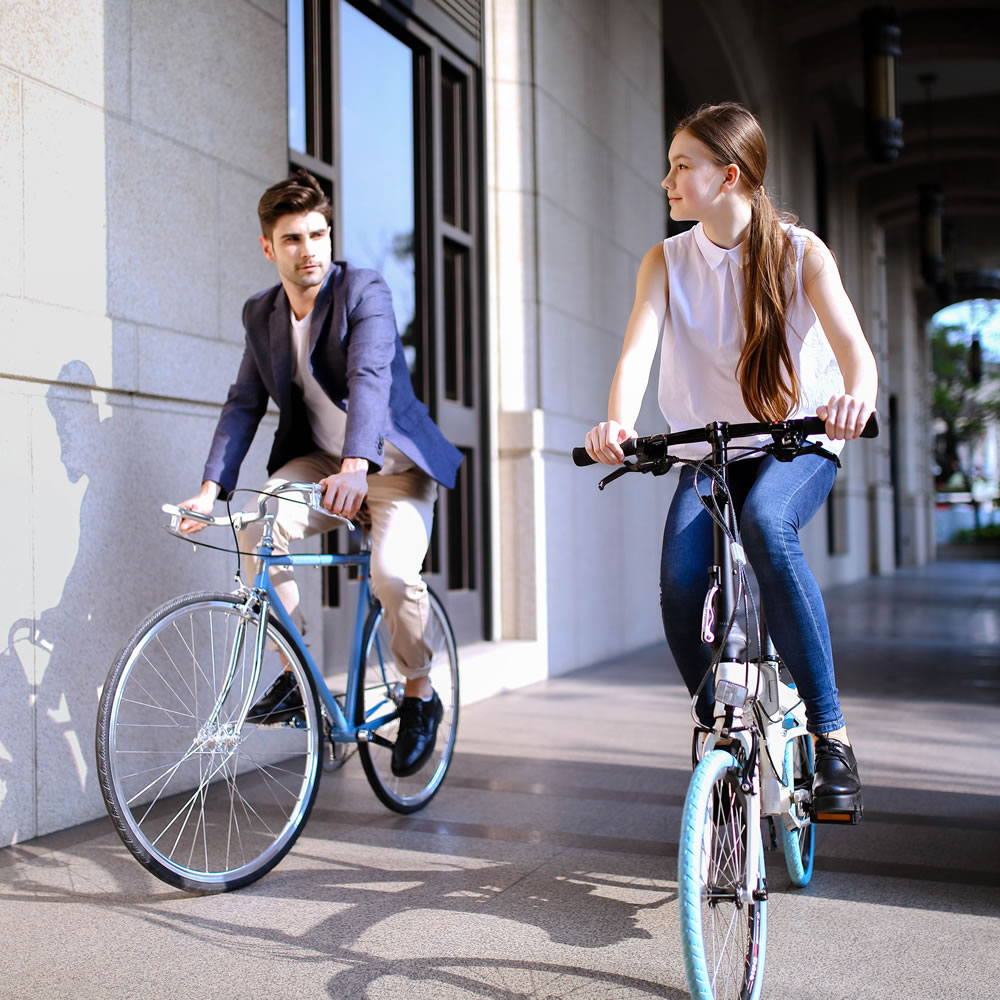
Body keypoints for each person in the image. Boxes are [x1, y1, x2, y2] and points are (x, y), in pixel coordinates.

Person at [584, 103, 878, 819]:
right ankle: (720, 730)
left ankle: (832, 736)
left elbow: (853, 352)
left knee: (766, 522)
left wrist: (856, 399)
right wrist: (618, 423)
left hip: (794, 442)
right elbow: (636, 352)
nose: (668, 180)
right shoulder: (666, 260)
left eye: (683, 165)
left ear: (730, 176)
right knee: (681, 584)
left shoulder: (801, 253)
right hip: (708, 449)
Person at [178, 169, 462, 778]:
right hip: (320, 464)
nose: (308, 250)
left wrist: (359, 465)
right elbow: (244, 403)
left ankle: (419, 692)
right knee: (256, 528)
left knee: (391, 574)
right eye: (292, 239)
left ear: (329, 235)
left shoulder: (365, 291)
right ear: (268, 247)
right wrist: (209, 492)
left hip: (391, 465)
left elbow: (369, 377)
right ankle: (295, 677)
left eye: (317, 234)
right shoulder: (262, 313)